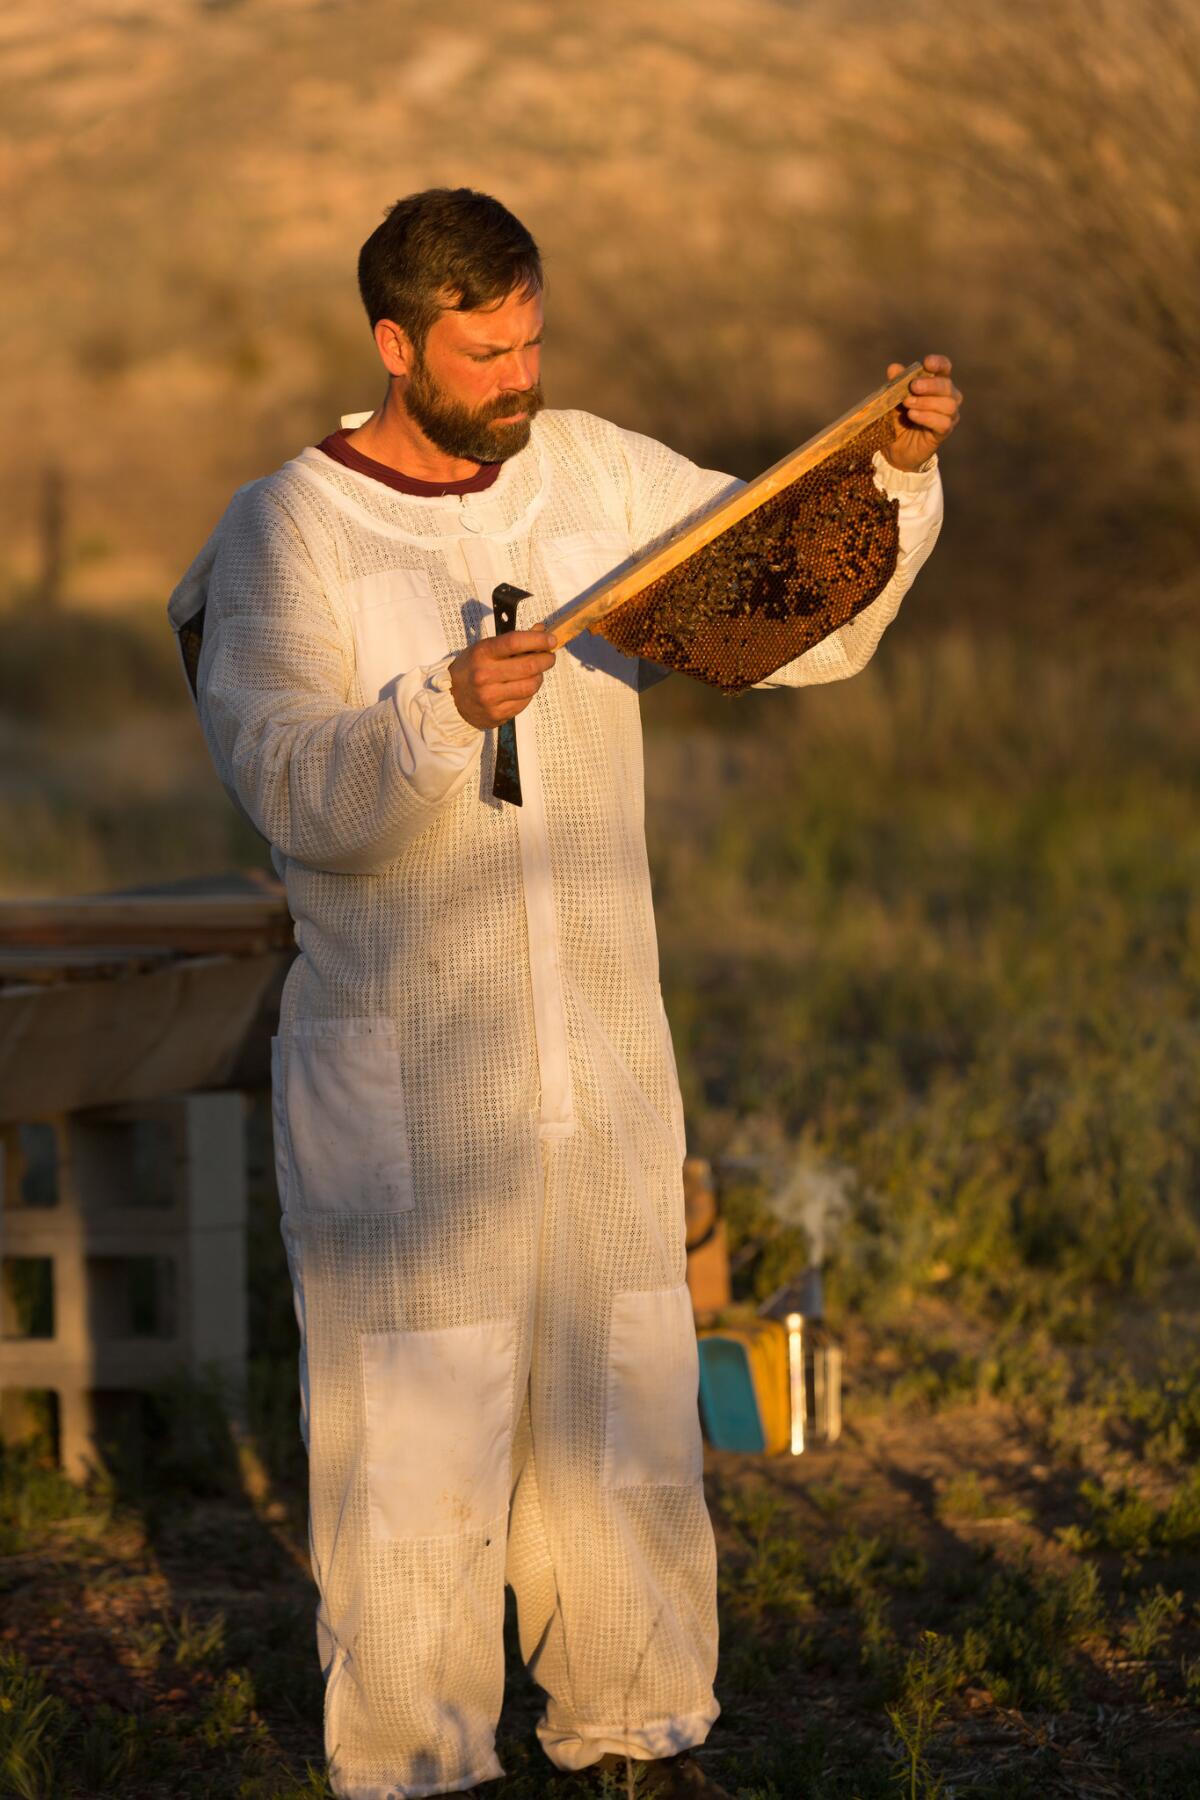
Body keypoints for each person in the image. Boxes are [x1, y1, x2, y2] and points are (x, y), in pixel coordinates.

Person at [168, 188, 959, 1800]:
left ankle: (637, 1740)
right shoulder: (288, 531)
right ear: (396, 345)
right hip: (407, 1081)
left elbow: (785, 610)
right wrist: (440, 707)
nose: (520, 373)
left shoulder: (594, 471)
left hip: (600, 1054)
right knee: (415, 1449)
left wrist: (889, 470)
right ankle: (417, 1767)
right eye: (485, 350)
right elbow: (283, 778)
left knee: (626, 1408)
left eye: (534, 337)